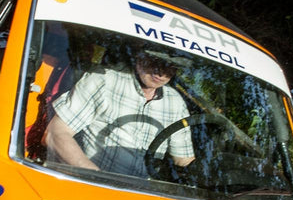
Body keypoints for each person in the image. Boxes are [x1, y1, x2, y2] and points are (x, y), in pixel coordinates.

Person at [45, 44, 195, 177]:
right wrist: (93, 175)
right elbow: (55, 133)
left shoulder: (176, 102)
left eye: (171, 67)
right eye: (156, 61)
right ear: (139, 56)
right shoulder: (103, 81)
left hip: (146, 196)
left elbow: (183, 159)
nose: (162, 73)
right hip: (93, 186)